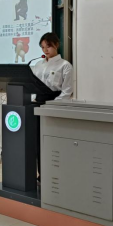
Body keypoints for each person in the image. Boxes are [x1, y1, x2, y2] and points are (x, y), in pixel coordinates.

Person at [32, 33, 74, 183]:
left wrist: (52, 105)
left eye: (48, 46)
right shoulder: (38, 65)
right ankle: (40, 175)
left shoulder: (65, 65)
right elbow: (31, 85)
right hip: (37, 104)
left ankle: (54, 175)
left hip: (54, 105)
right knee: (37, 142)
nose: (45, 50)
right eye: (43, 47)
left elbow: (67, 91)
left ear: (56, 45)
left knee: (51, 143)